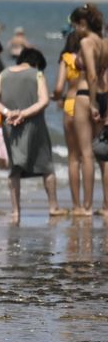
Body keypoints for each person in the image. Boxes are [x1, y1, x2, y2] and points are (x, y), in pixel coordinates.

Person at [0, 47, 61, 223]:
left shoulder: (4, 74)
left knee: (15, 169)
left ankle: (15, 212)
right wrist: (24, 113)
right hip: (34, 125)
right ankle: (53, 207)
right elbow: (44, 101)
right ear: (36, 63)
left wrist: (8, 112)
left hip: (11, 126)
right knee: (46, 166)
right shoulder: (37, 74)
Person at [66, 4, 106, 216]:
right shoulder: (103, 41)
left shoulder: (86, 41)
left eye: (75, 25)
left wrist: (92, 103)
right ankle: (106, 205)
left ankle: (87, 206)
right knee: (104, 156)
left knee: (86, 153)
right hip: (105, 94)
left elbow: (90, 74)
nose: (75, 30)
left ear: (83, 23)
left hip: (86, 96)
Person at [54, 30, 92, 216]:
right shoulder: (92, 58)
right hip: (89, 102)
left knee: (73, 158)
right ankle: (91, 204)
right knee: (90, 156)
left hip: (71, 104)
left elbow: (59, 87)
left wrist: (56, 97)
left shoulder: (67, 58)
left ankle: (76, 206)